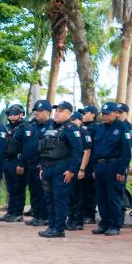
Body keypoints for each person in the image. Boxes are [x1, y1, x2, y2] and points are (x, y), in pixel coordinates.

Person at [37, 101, 83, 238]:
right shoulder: (51, 127)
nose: (56, 113)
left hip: (62, 169)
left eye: (60, 111)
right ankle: (51, 226)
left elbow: (78, 151)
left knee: (60, 200)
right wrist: (42, 167)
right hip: (47, 168)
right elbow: (43, 149)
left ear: (68, 113)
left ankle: (59, 228)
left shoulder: (71, 129)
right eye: (56, 110)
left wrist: (72, 170)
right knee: (49, 199)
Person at [91, 102, 132, 236]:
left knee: (114, 197)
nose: (105, 116)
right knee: (101, 197)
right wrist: (94, 168)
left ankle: (114, 225)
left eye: (108, 114)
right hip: (100, 166)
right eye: (103, 114)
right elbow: (94, 149)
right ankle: (104, 223)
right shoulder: (99, 128)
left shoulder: (122, 127)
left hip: (114, 165)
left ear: (116, 114)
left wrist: (121, 170)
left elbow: (126, 152)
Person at [1, 104, 33, 222]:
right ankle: (10, 212)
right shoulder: (7, 127)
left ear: (21, 114)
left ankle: (18, 213)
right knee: (10, 188)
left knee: (18, 188)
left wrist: (22, 164)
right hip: (7, 160)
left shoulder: (26, 127)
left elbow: (27, 147)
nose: (11, 116)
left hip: (18, 161)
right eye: (9, 114)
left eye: (14, 113)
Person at [24, 100, 51, 227]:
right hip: (31, 162)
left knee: (42, 191)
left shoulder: (52, 126)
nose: (36, 113)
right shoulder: (33, 126)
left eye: (39, 111)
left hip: (42, 164)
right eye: (36, 111)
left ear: (47, 112)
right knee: (33, 191)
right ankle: (36, 215)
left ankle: (44, 216)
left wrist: (43, 162)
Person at [66, 111, 93, 231]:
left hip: (80, 168)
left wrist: (82, 169)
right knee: (70, 195)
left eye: (73, 120)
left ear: (79, 120)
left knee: (78, 196)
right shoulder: (69, 131)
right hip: (70, 167)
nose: (71, 122)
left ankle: (78, 221)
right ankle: (71, 219)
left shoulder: (83, 131)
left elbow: (87, 152)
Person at [78, 105, 100, 224]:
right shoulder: (81, 126)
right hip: (80, 161)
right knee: (81, 190)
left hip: (91, 163)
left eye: (85, 113)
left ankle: (90, 214)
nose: (82, 115)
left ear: (92, 114)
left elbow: (96, 147)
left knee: (90, 190)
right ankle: (81, 213)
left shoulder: (96, 127)